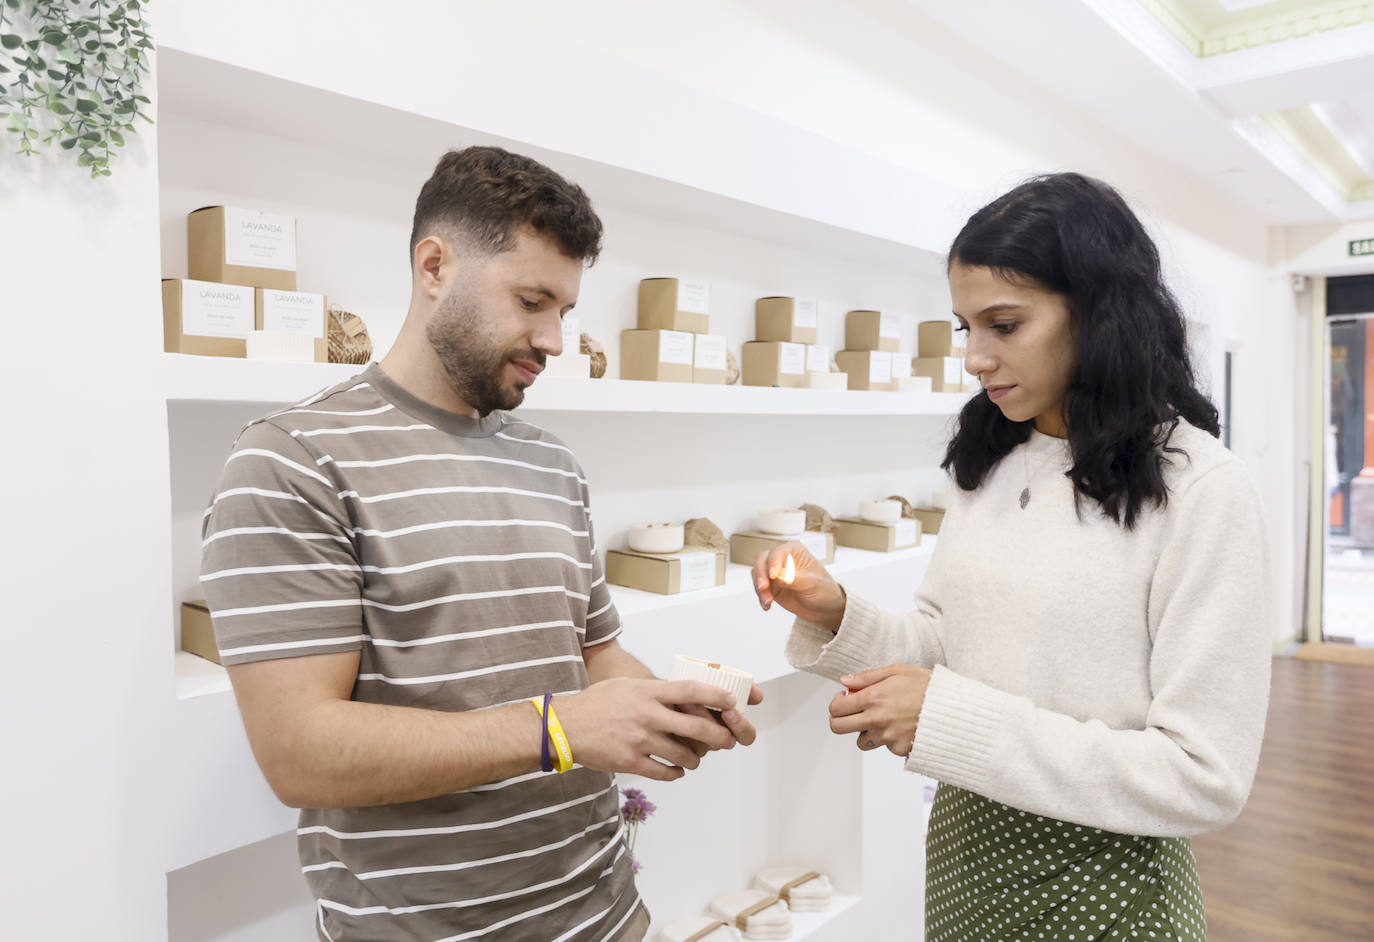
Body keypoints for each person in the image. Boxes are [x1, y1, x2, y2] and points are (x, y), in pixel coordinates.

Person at [201, 146, 761, 942]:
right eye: (532, 300)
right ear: (434, 266)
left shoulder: (550, 462)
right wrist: (561, 730)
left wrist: (661, 709)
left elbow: (593, 653)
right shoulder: (292, 459)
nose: (556, 338)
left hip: (607, 914)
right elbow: (300, 753)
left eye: (564, 309)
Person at [753, 173, 1271, 942]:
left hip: (1109, 888)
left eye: (1003, 324)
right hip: (967, 857)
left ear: (1098, 312)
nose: (973, 357)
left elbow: (1204, 777)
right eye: (965, 326)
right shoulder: (995, 460)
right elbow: (945, 644)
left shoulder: (1203, 490)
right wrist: (840, 617)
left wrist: (948, 718)